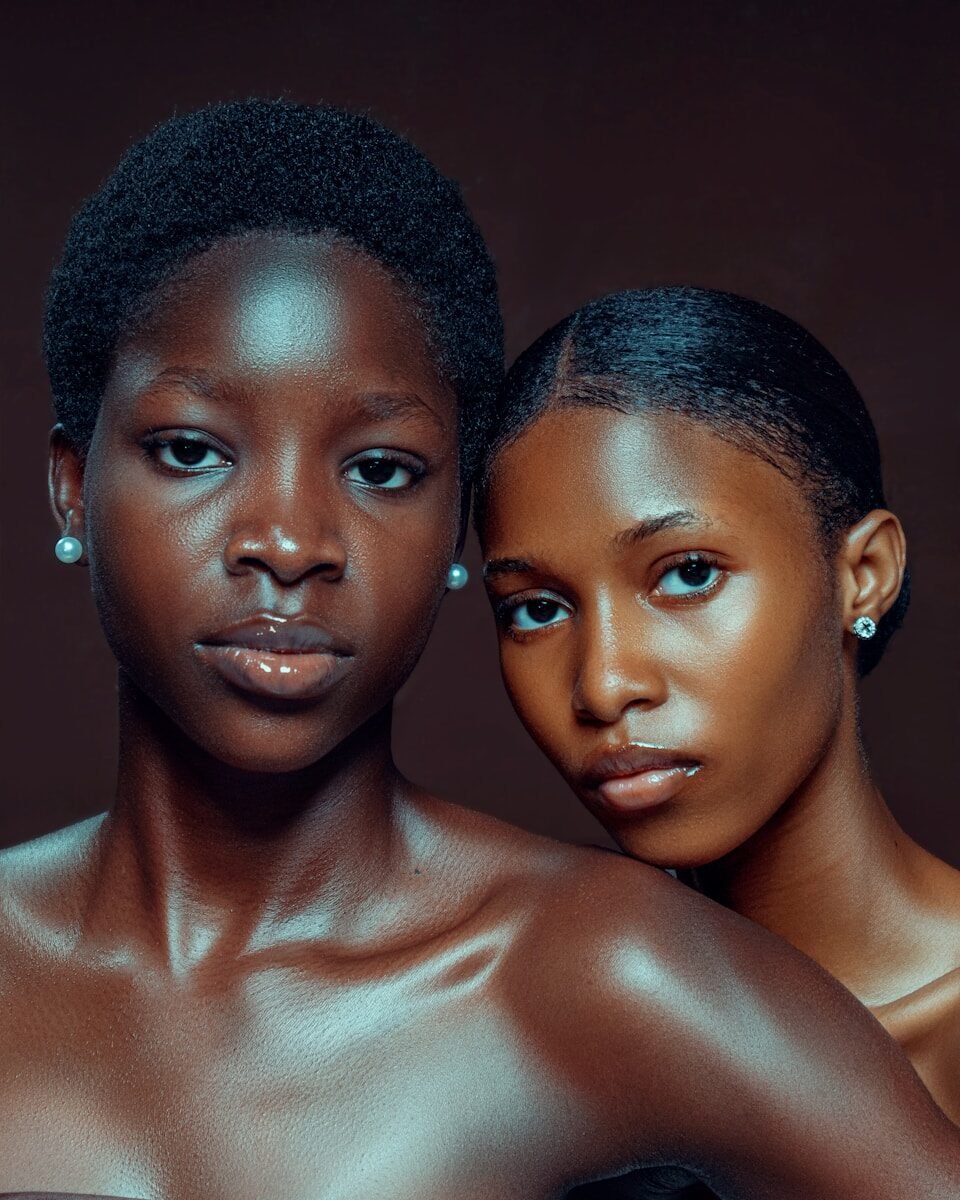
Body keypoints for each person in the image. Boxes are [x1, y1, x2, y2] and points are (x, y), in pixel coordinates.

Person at [1, 105, 957, 1200]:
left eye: (382, 470)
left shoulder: (608, 972)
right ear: (73, 484)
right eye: (190, 450)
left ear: (456, 517)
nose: (288, 543)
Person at [477, 286, 960, 1139]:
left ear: (865, 574)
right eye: (536, 609)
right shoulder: (530, 1036)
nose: (603, 684)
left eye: (688, 573)